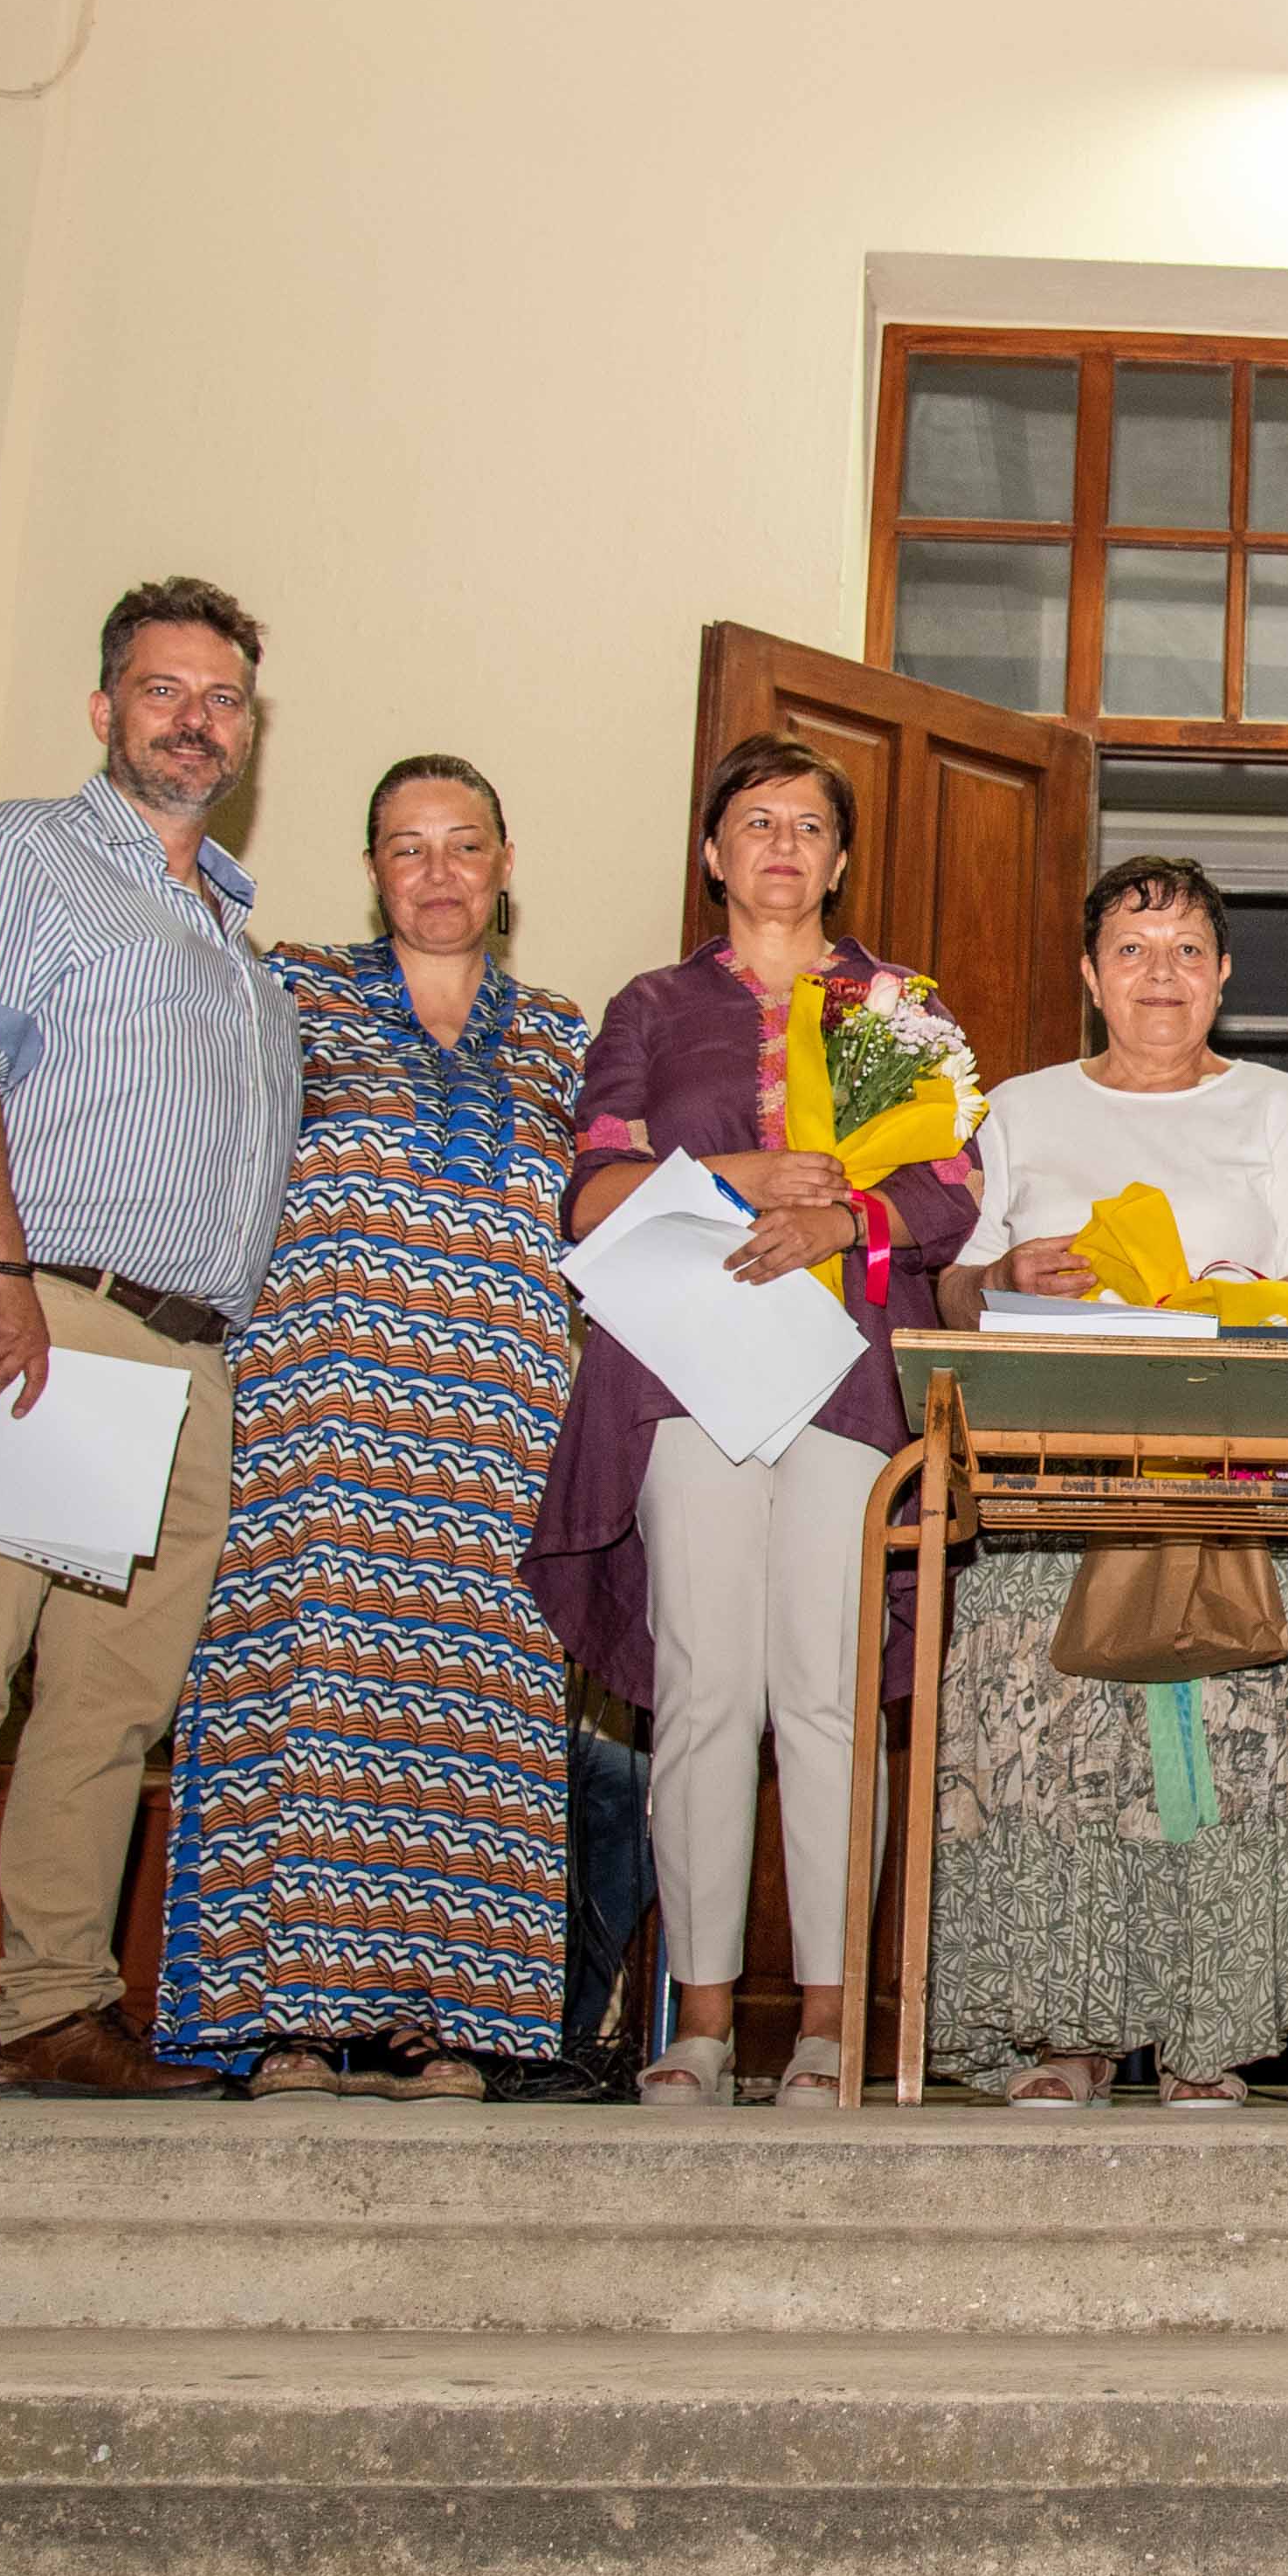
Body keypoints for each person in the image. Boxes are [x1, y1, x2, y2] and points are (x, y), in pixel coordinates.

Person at [0, 576, 302, 2097]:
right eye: (164, 690)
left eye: (222, 698)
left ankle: (54, 2006)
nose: (194, 720)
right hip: (37, 1307)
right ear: (106, 709)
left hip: (186, 1357)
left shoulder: (236, 938)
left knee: (111, 1705)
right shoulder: (30, 850)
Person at [527, 732, 974, 2112]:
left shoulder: (898, 1009)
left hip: (845, 1375)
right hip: (687, 1374)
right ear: (713, 852)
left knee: (827, 1692)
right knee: (707, 1687)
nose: (784, 845)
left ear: (839, 862)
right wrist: (741, 1174)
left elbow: (955, 1190)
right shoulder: (652, 1007)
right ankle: (704, 2023)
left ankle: (830, 2023)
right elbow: (591, 1195)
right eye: (758, 822)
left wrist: (845, 1218)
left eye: (809, 826)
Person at [151, 756, 594, 2101]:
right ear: (372, 870)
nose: (439, 871)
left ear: (506, 865)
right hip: (320, 1417)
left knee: (475, 1711)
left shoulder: (562, 1036)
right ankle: (285, 2017)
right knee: (308, 1693)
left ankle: (442, 2021)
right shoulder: (289, 991)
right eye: (409, 846)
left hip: (503, 1431)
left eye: (465, 844)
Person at [925, 855, 1288, 2110]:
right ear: (1090, 975)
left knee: (1226, 1753)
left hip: (1238, 1467)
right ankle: (1063, 2032)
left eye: (1187, 950)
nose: (1161, 974)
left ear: (1223, 974)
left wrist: (1247, 1295)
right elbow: (955, 1290)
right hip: (1056, 1478)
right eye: (1132, 950)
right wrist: (1007, 1275)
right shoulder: (1020, 1108)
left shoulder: (1285, 1109)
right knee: (1063, 1747)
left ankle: (1208, 2032)